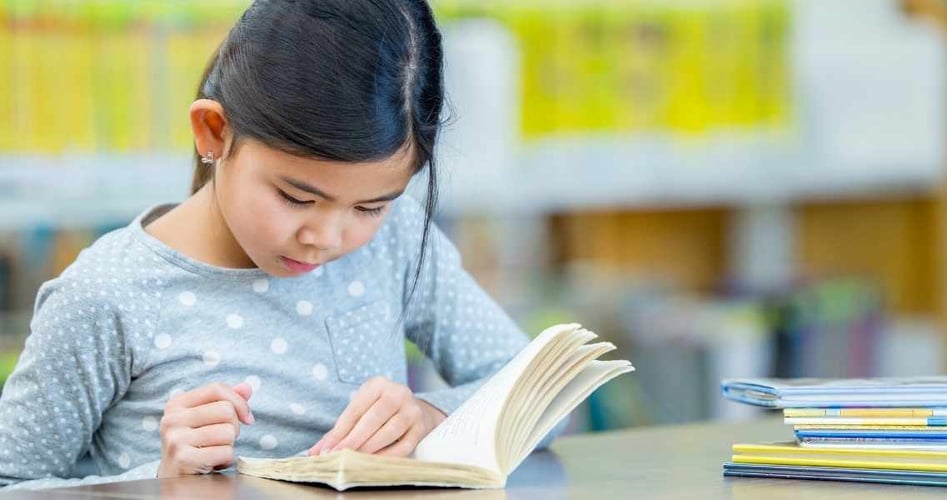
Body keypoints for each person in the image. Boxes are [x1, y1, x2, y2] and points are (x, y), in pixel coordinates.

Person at [0, 0, 553, 489]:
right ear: (214, 132)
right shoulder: (107, 295)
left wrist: (433, 415)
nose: (327, 238)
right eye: (296, 198)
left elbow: (543, 394)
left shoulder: (397, 242)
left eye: (369, 206)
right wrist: (158, 482)